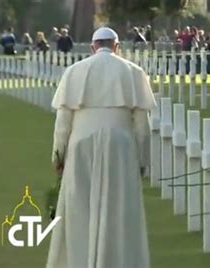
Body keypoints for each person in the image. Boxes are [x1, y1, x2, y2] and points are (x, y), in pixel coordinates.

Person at [46, 27, 156, 268]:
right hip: (121, 146)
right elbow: (142, 126)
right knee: (119, 208)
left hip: (81, 143)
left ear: (93, 46)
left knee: (80, 209)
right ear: (117, 46)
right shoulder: (133, 72)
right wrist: (142, 161)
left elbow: (63, 123)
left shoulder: (74, 72)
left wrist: (58, 155)